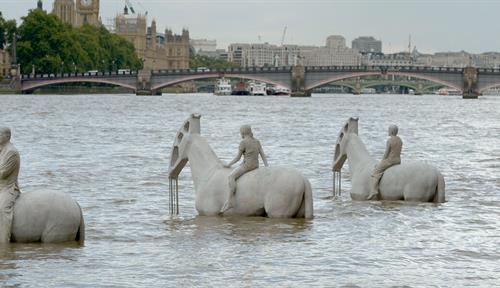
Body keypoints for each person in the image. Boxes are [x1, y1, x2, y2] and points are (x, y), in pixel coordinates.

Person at [220, 125, 268, 213]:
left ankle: (230, 200)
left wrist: (228, 165)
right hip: (256, 165)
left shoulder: (243, 142)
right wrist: (266, 166)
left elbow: (237, 158)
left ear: (242, 133)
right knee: (238, 168)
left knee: (231, 177)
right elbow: (263, 155)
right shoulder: (257, 141)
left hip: (248, 166)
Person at [368, 125, 402, 200]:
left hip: (390, 160)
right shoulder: (400, 140)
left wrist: (381, 162)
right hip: (398, 160)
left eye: (389, 130)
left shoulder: (390, 140)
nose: (388, 131)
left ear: (392, 131)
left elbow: (386, 153)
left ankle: (373, 190)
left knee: (376, 171)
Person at [0, 127, 21, 243]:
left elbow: (2, 174)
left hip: (8, 188)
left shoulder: (11, 152)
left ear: (7, 137)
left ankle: (3, 241)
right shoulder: (1, 150)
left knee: (2, 209)